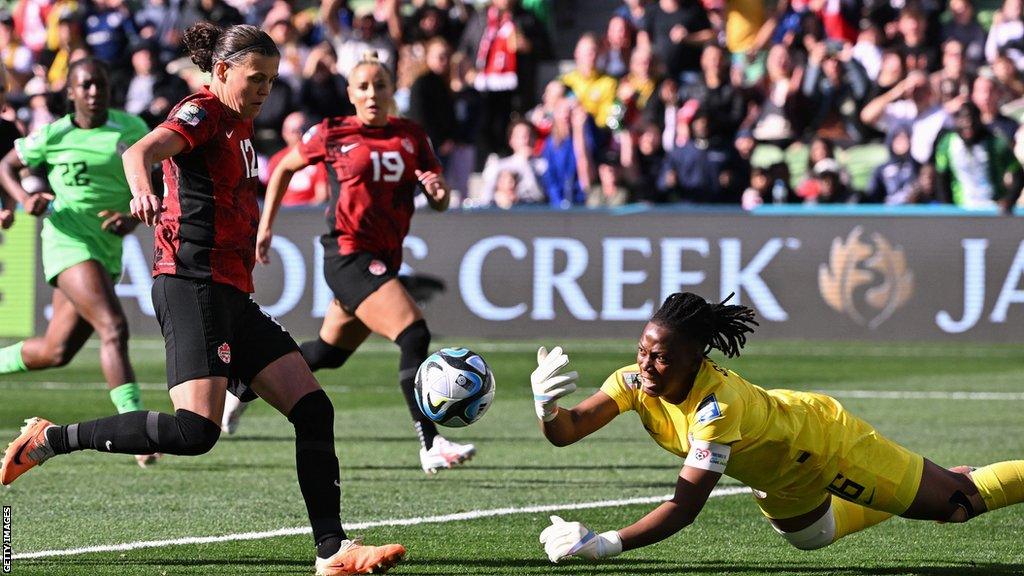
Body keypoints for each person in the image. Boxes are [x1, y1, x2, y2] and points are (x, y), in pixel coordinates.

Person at [0, 24, 406, 576]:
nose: (264, 89)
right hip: (192, 285)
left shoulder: (239, 123)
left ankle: (332, 552)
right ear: (221, 73)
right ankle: (50, 439)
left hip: (231, 293)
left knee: (314, 408)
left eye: (271, 79)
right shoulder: (205, 111)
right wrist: (143, 189)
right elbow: (142, 150)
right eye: (254, 78)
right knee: (195, 432)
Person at [532, 292, 1024, 563]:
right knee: (812, 538)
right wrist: (547, 408)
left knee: (958, 505)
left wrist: (609, 542)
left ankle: (939, 486)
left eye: (662, 358)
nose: (647, 365)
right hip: (779, 477)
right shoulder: (633, 382)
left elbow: (683, 508)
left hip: (826, 445)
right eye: (643, 350)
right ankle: (917, 489)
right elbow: (569, 429)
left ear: (696, 359)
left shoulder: (716, 408)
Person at [228, 52, 476, 476]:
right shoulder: (333, 132)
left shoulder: (411, 136)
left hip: (383, 259)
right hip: (347, 255)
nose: (372, 94)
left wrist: (438, 191)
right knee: (413, 333)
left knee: (328, 353)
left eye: (379, 85)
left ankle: (245, 382)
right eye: (362, 86)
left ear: (391, 90)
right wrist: (265, 227)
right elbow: (283, 167)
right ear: (350, 94)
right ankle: (431, 443)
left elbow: (440, 200)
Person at [0, 58, 158, 468]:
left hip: (106, 246)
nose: (93, 91)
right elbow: (6, 165)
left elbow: (152, 180)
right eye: (85, 85)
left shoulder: (132, 129)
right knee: (114, 327)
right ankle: (136, 430)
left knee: (56, 352)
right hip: (66, 240)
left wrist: (132, 214)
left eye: (100, 84)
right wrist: (23, 199)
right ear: (70, 92)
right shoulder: (53, 134)